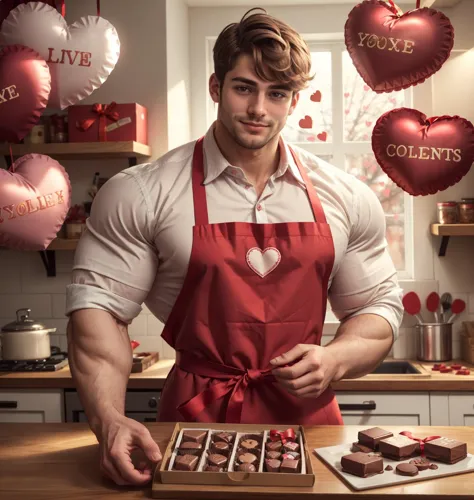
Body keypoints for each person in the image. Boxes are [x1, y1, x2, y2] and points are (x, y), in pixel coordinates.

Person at [65, 8, 403, 487]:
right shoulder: (140, 192)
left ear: (294, 100)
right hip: (190, 423)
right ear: (215, 87)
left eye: (277, 93)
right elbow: (98, 310)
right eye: (244, 87)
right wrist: (108, 420)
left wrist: (335, 358)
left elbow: (377, 307)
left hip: (310, 429)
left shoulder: (345, 196)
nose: (258, 110)